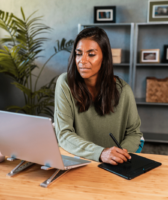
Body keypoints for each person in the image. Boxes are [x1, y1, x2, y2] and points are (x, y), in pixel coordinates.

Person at [54, 27, 143, 165]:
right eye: (78, 54)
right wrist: (101, 153)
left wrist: (118, 156)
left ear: (104, 57)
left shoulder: (124, 90)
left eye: (91, 54)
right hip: (77, 162)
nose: (82, 61)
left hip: (113, 166)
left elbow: (134, 133)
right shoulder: (65, 83)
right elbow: (63, 134)